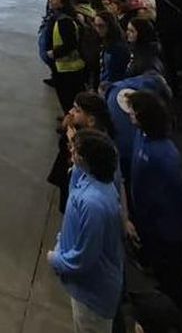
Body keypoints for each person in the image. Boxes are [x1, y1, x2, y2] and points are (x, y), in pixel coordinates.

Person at [123, 89, 182, 328]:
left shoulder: (165, 154)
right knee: (162, 273)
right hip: (149, 224)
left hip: (165, 228)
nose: (129, 114)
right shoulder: (141, 136)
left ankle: (179, 319)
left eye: (133, 111)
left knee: (173, 277)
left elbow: (176, 193)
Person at [49, 128, 125, 333]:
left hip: (93, 293)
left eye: (76, 151)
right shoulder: (85, 179)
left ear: (89, 161)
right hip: (85, 286)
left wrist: (57, 259)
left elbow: (85, 256)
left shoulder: (94, 204)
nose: (71, 152)